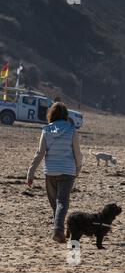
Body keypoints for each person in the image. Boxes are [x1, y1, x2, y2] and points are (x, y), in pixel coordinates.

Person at [26, 102, 83, 244]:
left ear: (51, 114)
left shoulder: (46, 130)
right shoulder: (71, 130)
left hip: (50, 171)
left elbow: (40, 153)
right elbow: (78, 153)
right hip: (68, 171)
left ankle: (58, 229)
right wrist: (78, 168)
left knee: (55, 202)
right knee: (62, 202)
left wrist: (31, 172)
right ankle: (58, 230)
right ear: (65, 115)